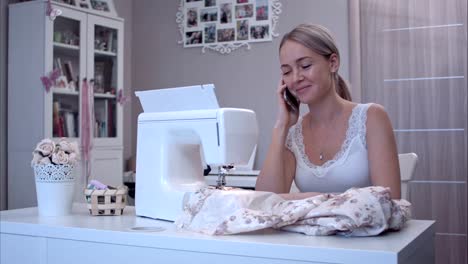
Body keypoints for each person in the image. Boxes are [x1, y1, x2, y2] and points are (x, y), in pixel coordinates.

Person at [255, 24, 402, 199]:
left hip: (362, 227)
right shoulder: (293, 133)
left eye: (305, 66)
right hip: (310, 228)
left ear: (333, 63)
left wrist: (305, 199)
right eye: (287, 71)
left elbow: (390, 202)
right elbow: (264, 202)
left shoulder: (372, 117)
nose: (295, 78)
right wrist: (281, 127)